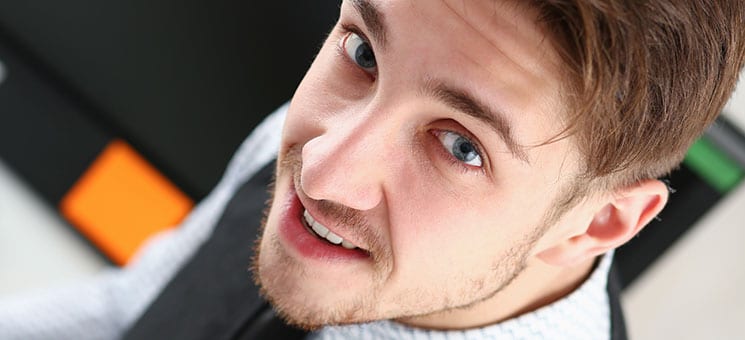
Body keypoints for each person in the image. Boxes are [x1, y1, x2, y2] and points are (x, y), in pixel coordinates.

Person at [1, 0, 744, 339]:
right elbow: (131, 313)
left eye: (459, 145)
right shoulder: (323, 139)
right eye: (362, 51)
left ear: (601, 223)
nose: (322, 170)